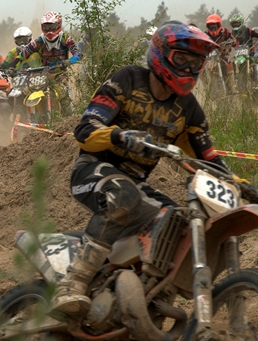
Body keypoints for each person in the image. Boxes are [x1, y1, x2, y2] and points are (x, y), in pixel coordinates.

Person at [51, 21, 232, 316]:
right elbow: (85, 130)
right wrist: (120, 135)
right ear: (160, 55)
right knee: (124, 196)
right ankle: (72, 283)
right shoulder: (128, 80)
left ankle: (145, 295)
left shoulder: (188, 109)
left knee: (179, 223)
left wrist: (242, 185)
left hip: (135, 184)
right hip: (92, 169)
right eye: (181, 59)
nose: (188, 69)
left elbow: (208, 160)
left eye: (196, 63)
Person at [19, 11, 82, 115]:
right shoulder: (39, 40)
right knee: (25, 91)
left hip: (60, 74)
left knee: (63, 94)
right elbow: (24, 53)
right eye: (46, 27)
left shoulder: (65, 39)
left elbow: (78, 54)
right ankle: (26, 117)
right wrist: (18, 65)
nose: (49, 30)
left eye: (52, 27)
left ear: (58, 25)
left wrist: (68, 61)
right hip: (42, 74)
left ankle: (68, 117)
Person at [229, 14, 258, 85]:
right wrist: (227, 44)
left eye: (237, 24)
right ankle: (235, 80)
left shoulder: (248, 30)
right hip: (238, 54)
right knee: (232, 62)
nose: (235, 26)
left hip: (250, 53)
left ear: (241, 23)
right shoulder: (231, 34)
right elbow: (227, 40)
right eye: (233, 24)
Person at [204, 14, 238, 93]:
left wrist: (230, 42)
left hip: (223, 55)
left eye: (214, 26)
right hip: (210, 58)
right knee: (202, 69)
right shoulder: (205, 35)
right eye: (210, 27)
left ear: (219, 25)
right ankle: (207, 88)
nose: (213, 29)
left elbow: (234, 41)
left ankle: (232, 86)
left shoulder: (225, 32)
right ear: (207, 27)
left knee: (228, 62)